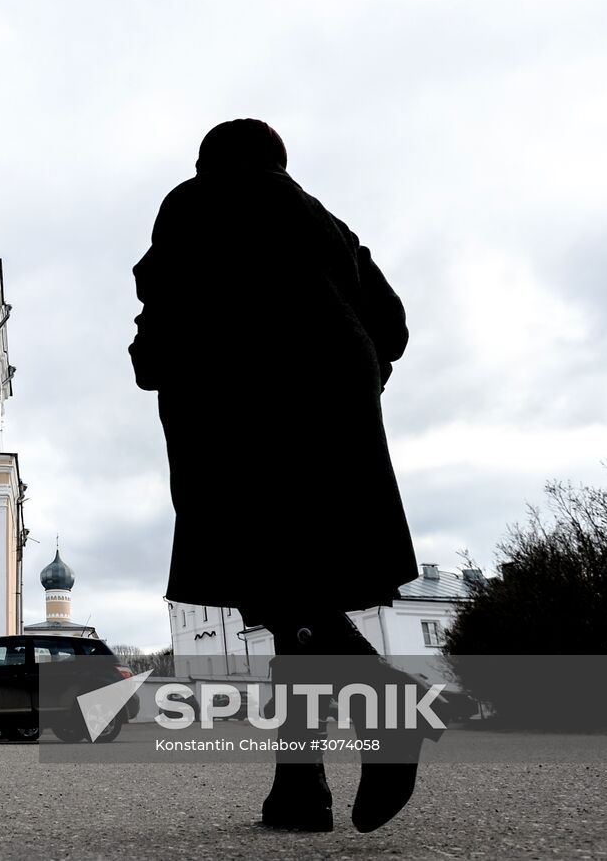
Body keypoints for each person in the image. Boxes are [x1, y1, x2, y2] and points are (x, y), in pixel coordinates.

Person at [131, 119, 440, 833]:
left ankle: (390, 714)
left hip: (238, 414)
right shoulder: (325, 221)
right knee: (298, 597)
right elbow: (391, 324)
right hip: (338, 422)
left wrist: (149, 354)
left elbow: (161, 315)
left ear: (210, 160)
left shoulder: (192, 203)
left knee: (280, 588)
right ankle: (299, 789)